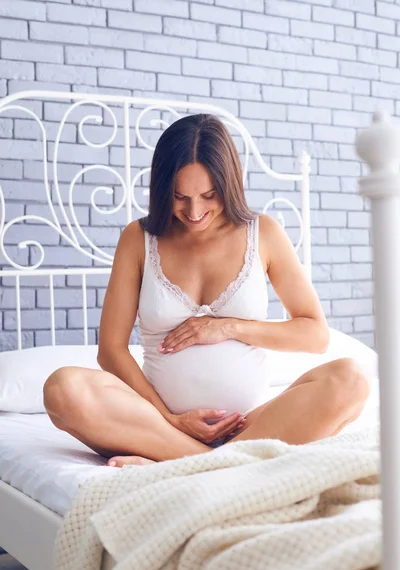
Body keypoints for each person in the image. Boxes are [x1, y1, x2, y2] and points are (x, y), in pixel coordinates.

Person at [43, 114, 370, 468]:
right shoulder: (138, 239)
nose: (194, 211)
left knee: (352, 379)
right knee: (63, 388)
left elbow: (315, 335)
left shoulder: (265, 233)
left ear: (228, 185)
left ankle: (185, 464)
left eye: (208, 195)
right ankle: (216, 463)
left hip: (251, 424)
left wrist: (227, 327)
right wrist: (169, 418)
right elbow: (110, 351)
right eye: (179, 197)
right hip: (157, 426)